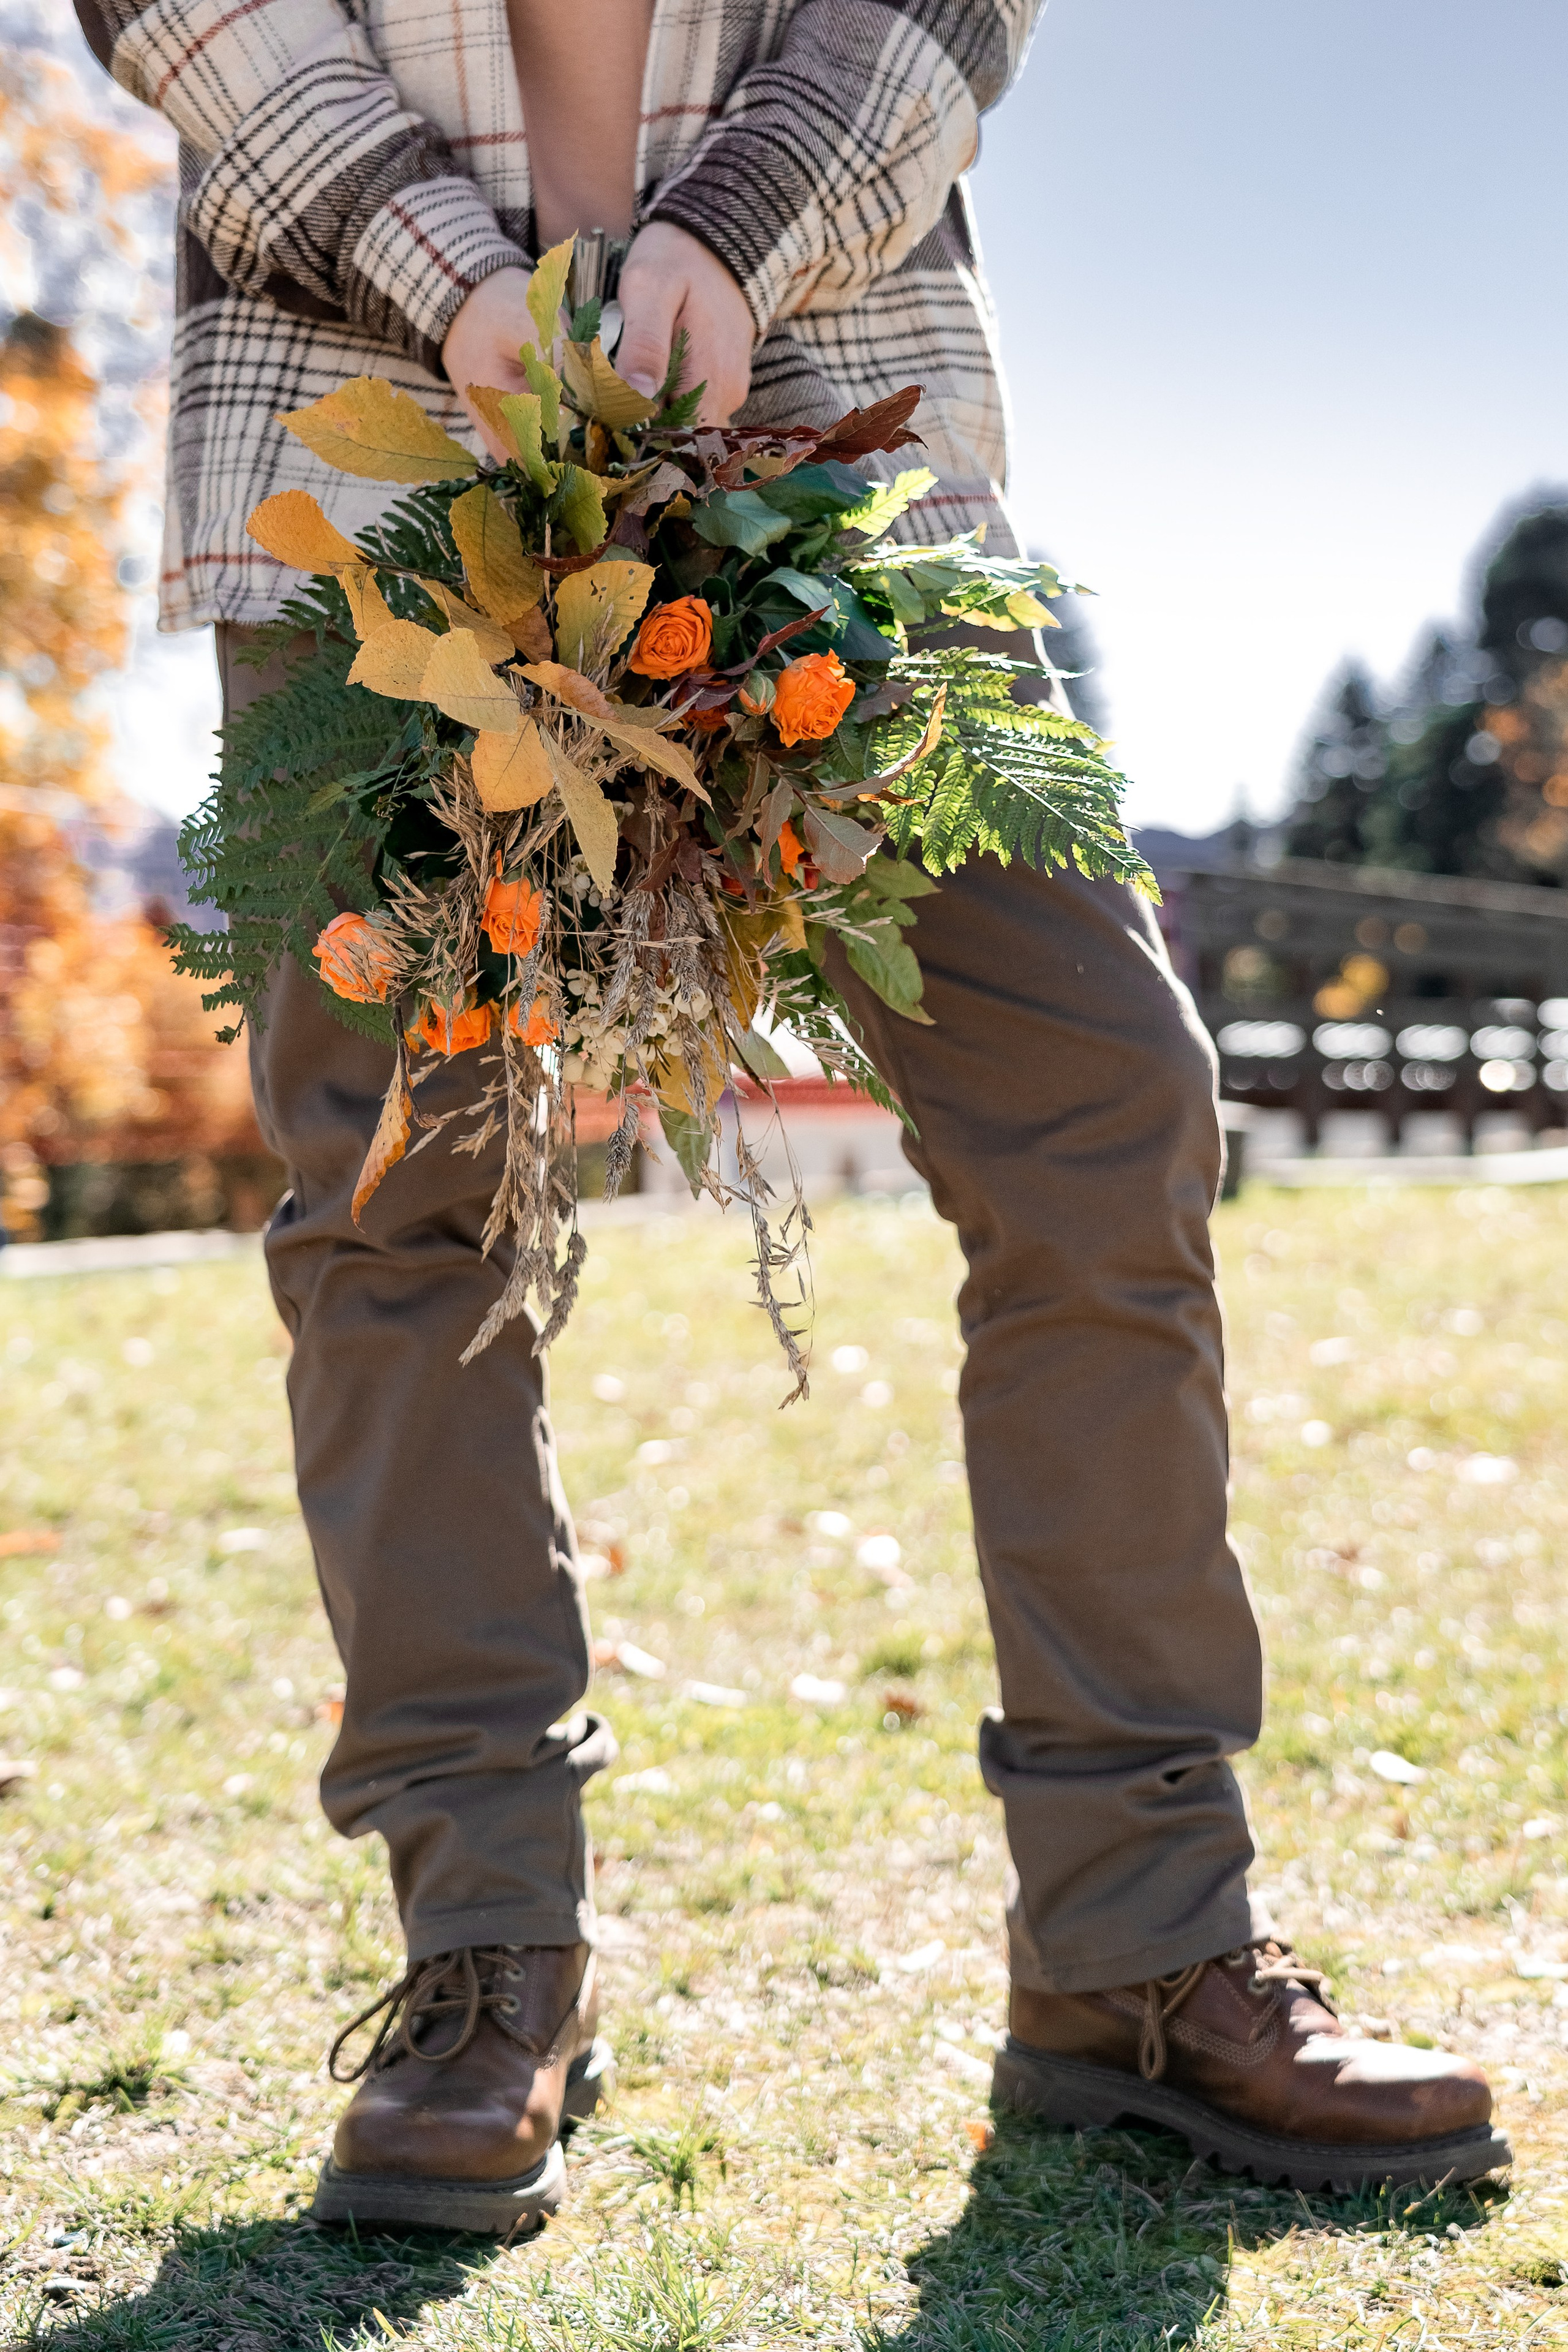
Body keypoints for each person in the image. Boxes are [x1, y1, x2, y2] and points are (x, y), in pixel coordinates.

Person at [74, 0, 1506, 2235]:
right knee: (404, 1199)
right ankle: (486, 1963)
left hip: (837, 435)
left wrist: (733, 241)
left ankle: (1133, 1961)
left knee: (1099, 1100)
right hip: (354, 462)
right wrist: (453, 270)